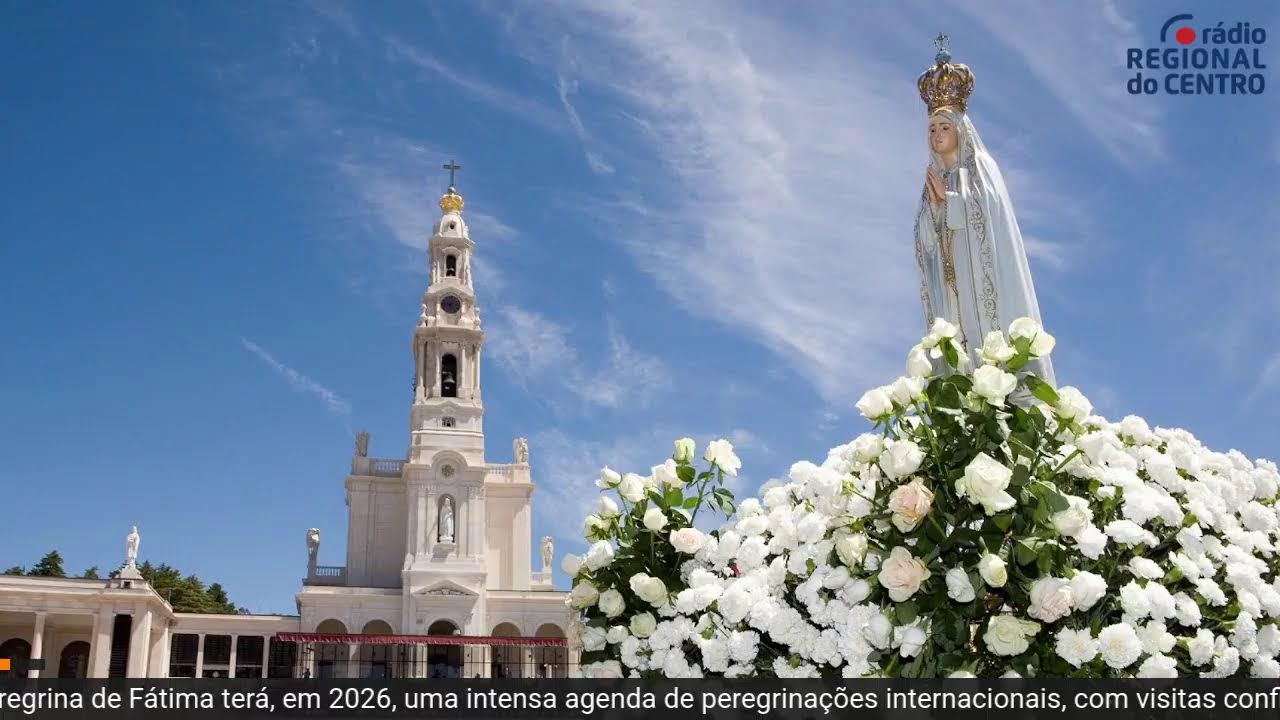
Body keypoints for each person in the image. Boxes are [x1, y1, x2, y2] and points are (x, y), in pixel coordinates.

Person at [913, 36, 1055, 386]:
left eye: (944, 127)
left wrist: (951, 202)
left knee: (988, 350)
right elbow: (925, 239)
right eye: (932, 129)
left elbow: (990, 215)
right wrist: (934, 211)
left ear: (960, 131)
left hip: (981, 283)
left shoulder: (980, 169)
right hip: (951, 289)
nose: (936, 135)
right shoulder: (933, 179)